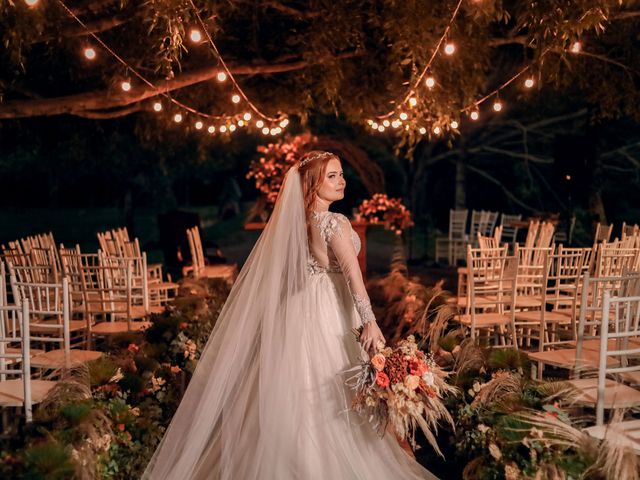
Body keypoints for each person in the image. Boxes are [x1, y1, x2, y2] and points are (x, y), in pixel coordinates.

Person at [142, 151, 438, 479]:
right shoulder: (333, 221)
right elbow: (354, 275)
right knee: (327, 381)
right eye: (332, 176)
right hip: (329, 308)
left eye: (341, 175)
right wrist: (369, 320)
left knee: (299, 382)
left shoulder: (301, 220)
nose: (341, 181)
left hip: (301, 306)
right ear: (313, 184)